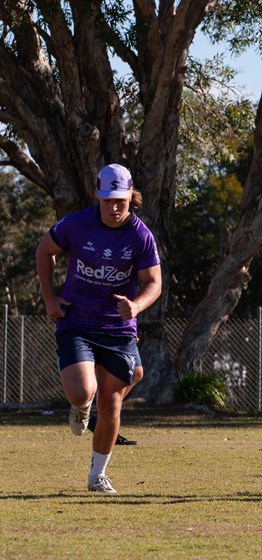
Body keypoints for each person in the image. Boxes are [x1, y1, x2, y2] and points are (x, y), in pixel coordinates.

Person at [36, 163, 162, 494]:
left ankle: (97, 476)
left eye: (120, 200)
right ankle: (81, 404)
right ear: (98, 195)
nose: (114, 207)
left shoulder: (141, 235)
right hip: (76, 322)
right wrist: (50, 298)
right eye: (107, 200)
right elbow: (45, 250)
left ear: (130, 196)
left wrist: (136, 306)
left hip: (117, 329)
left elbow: (153, 282)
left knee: (112, 401)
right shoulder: (76, 224)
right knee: (83, 392)